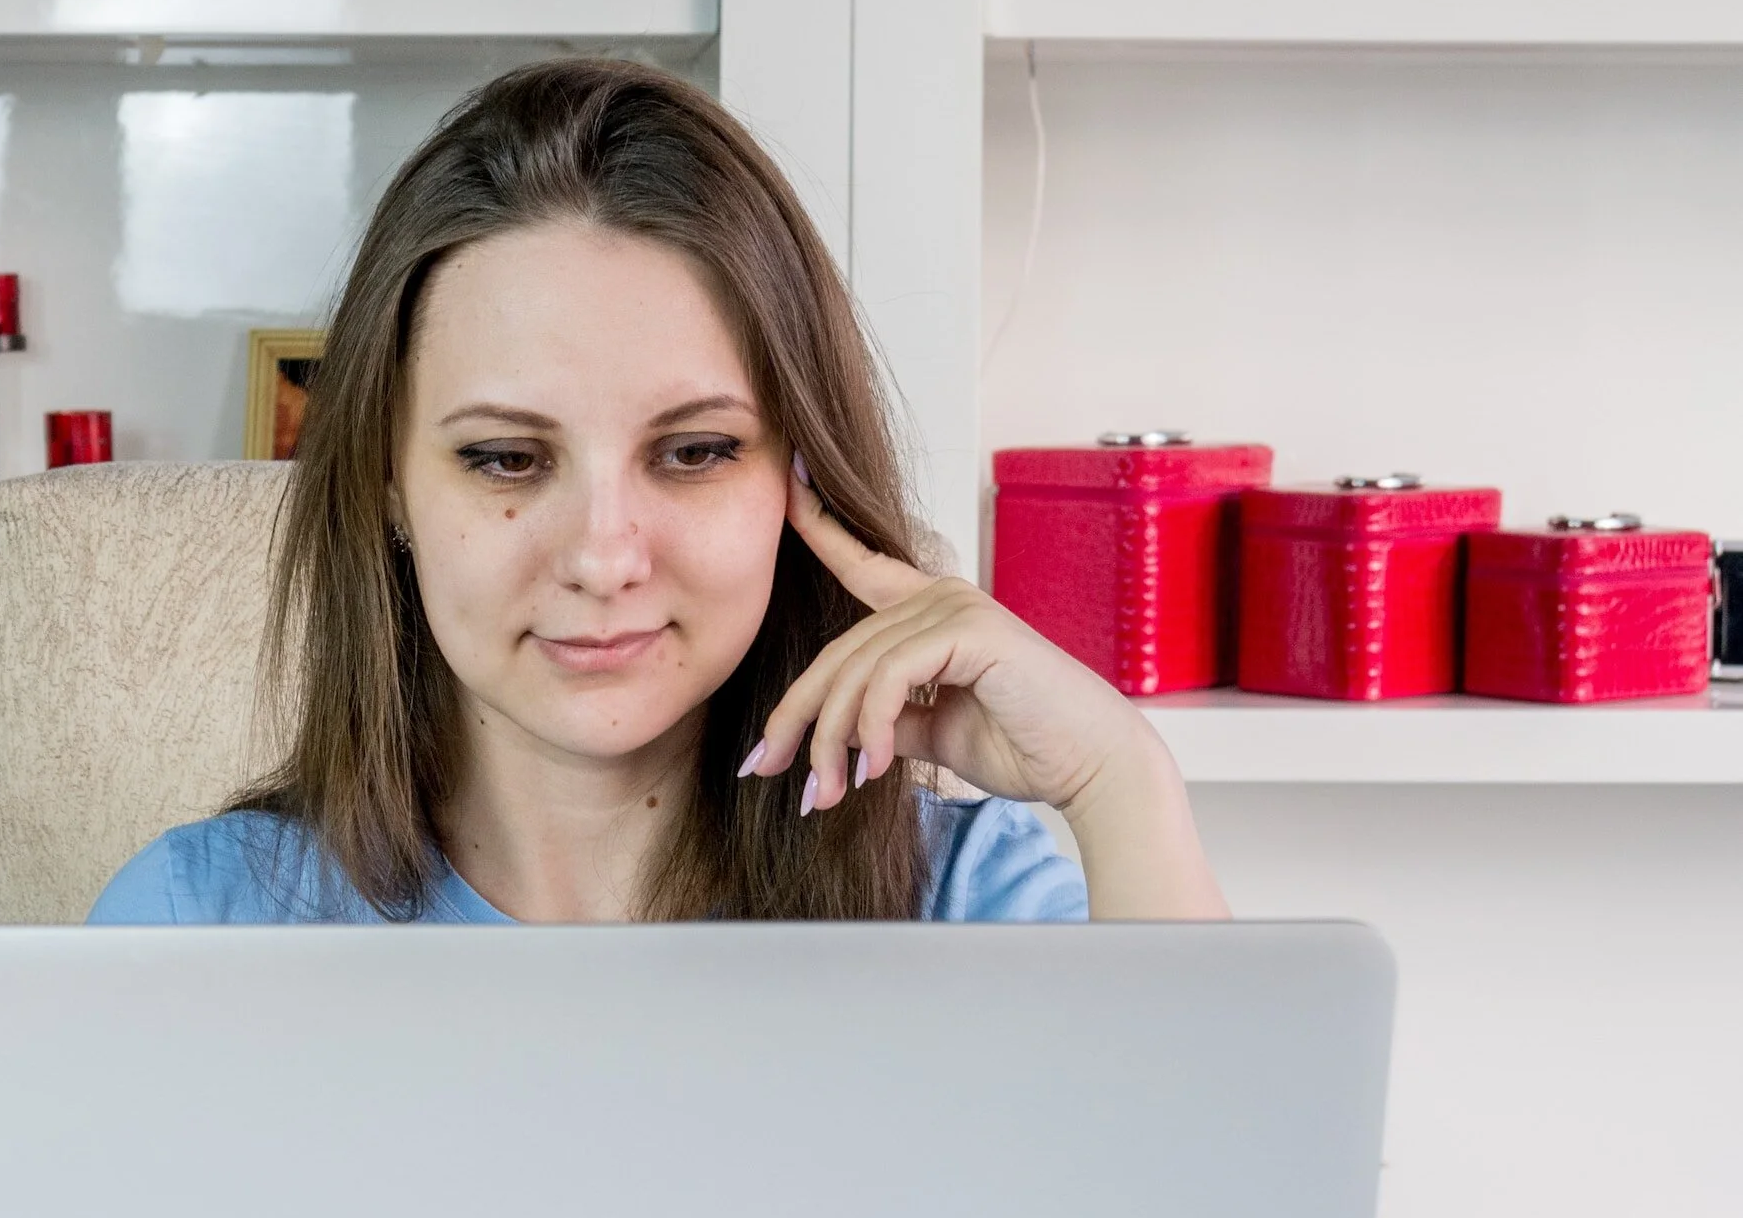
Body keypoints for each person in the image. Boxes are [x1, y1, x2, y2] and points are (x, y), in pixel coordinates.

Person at [89, 57, 1228, 929]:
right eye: (504, 459)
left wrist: (1118, 779)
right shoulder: (200, 920)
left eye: (691, 454)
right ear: (388, 485)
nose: (602, 556)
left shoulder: (967, 904)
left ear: (801, 480)